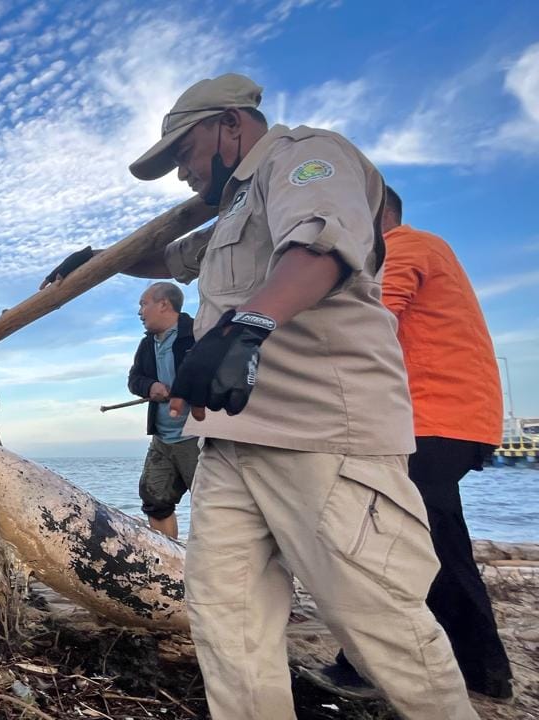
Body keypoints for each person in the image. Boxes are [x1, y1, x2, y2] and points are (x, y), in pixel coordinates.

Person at [43, 74, 476, 719]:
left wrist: (250, 326)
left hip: (322, 438)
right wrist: (99, 259)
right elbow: (169, 255)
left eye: (184, 154)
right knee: (226, 623)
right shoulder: (230, 211)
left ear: (229, 126)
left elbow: (320, 246)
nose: (181, 175)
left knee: (382, 627)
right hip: (230, 443)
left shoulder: (304, 155)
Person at [304, 186, 512, 701]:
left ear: (371, 215)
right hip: (448, 420)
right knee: (441, 546)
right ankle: (485, 672)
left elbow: (368, 323)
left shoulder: (403, 248)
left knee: (385, 544)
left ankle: (368, 666)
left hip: (434, 420)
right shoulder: (426, 249)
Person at [126, 282, 198, 539]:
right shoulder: (147, 345)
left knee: (210, 507)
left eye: (144, 304)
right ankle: (171, 562)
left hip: (198, 438)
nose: (140, 312)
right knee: (155, 500)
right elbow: (134, 379)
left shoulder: (197, 333)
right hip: (162, 439)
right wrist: (151, 385)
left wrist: (183, 391)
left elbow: (216, 375)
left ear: (164, 304)